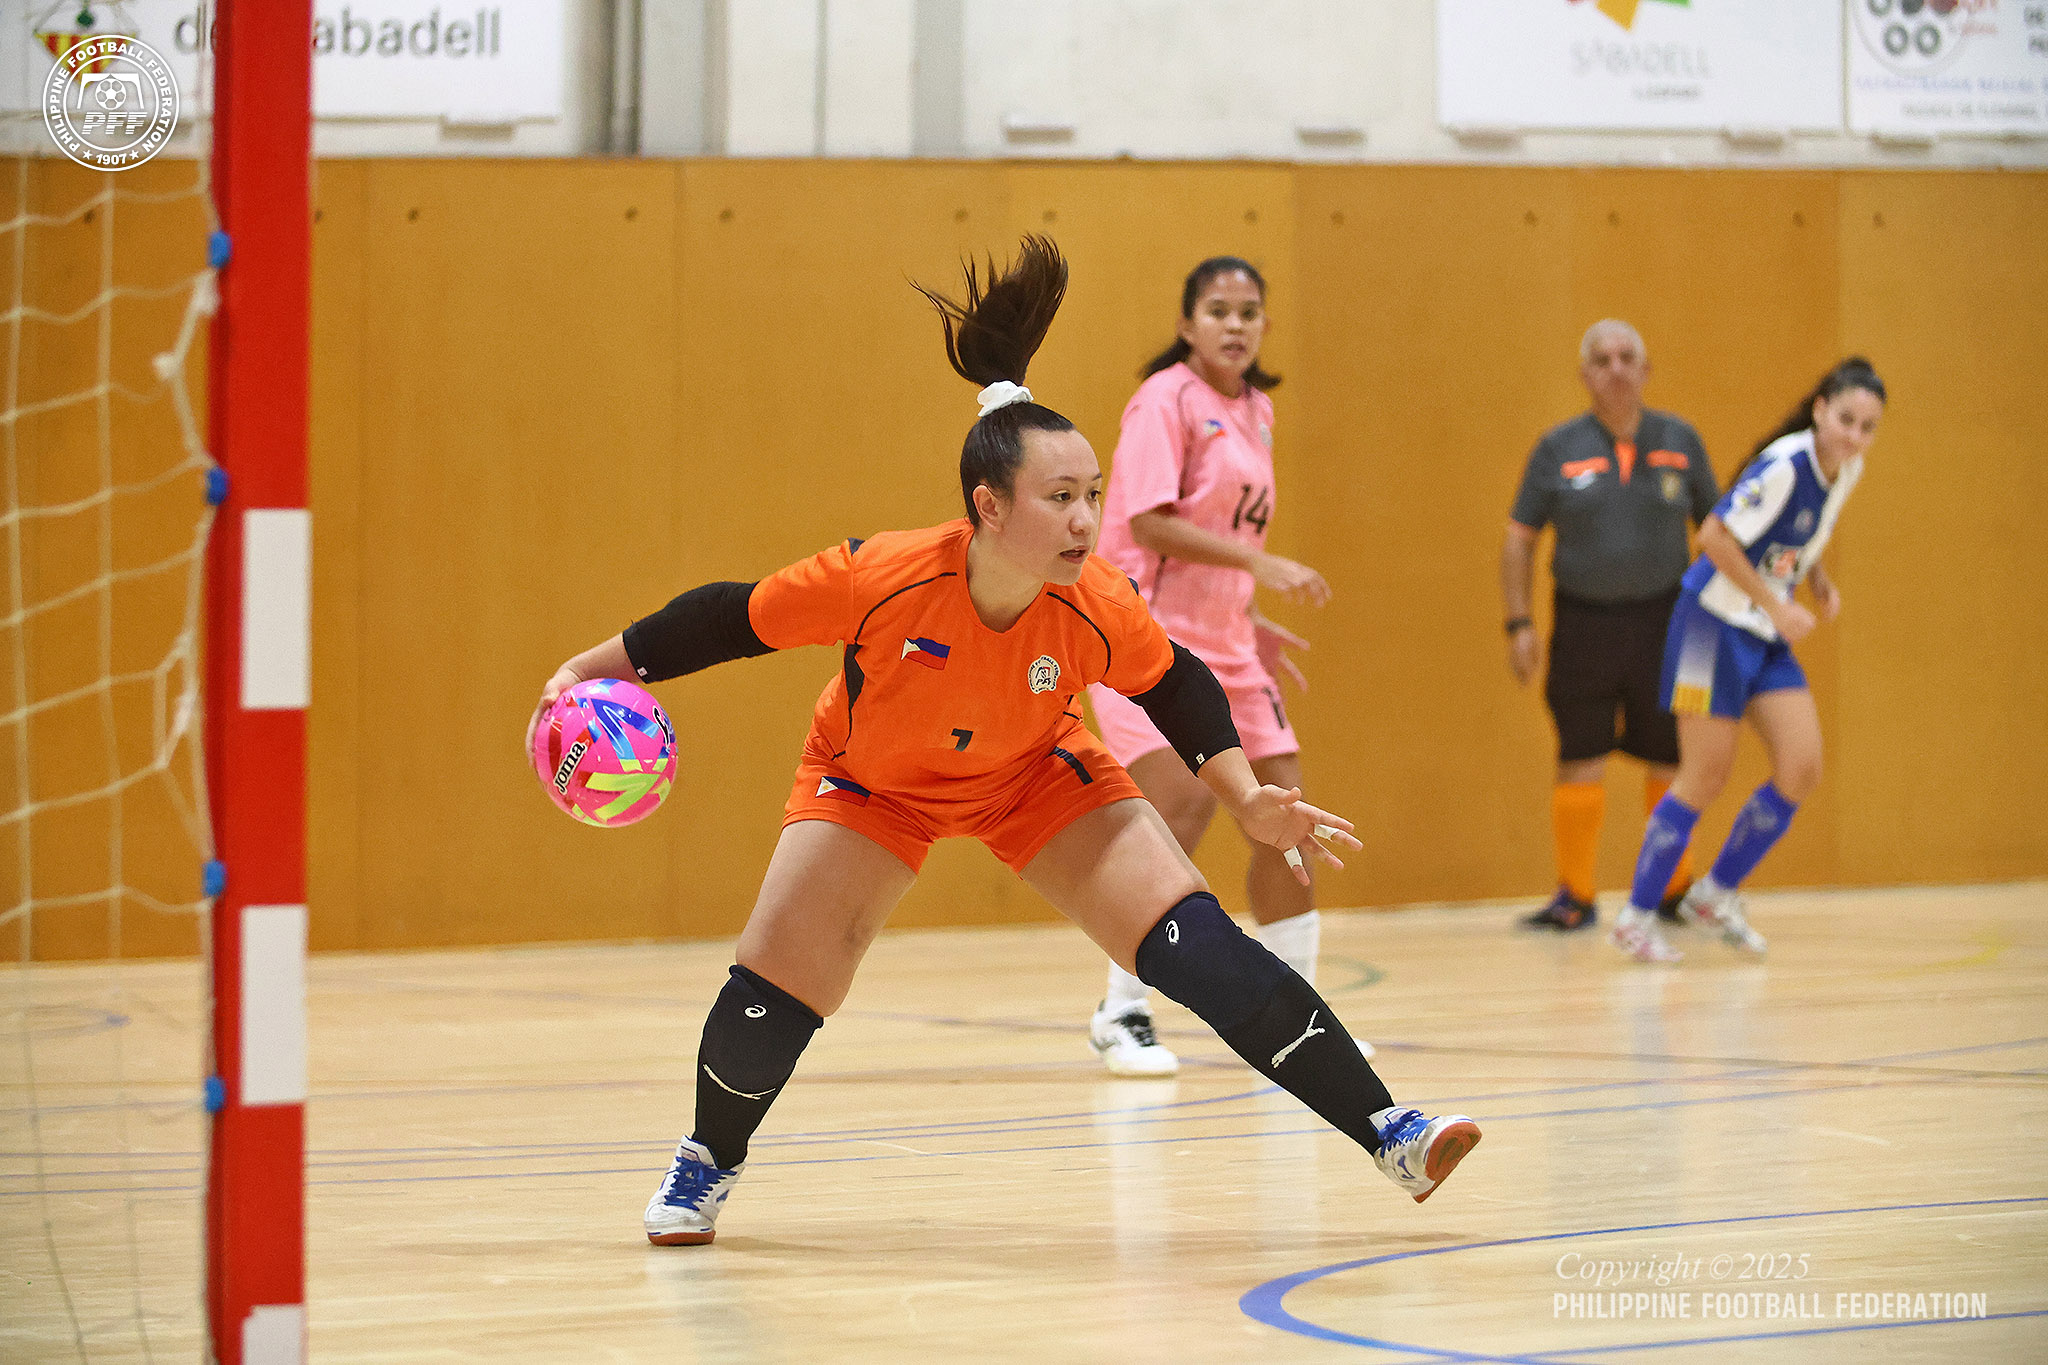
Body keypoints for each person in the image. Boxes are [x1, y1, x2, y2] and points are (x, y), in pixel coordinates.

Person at [523, 238, 1482, 1246]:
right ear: (989, 506)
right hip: (872, 787)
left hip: (1035, 778)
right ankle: (707, 1161)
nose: (1085, 521)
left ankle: (1391, 1133)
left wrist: (1244, 795)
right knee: (778, 987)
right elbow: (728, 616)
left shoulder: (1096, 598)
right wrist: (589, 669)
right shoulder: (883, 577)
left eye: (1093, 495)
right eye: (1059, 499)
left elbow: (1175, 682)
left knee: (1197, 946)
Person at [1082, 255, 1360, 1078]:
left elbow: (1219, 538)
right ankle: (1120, 1010)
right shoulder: (1163, 399)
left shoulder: (1256, 409)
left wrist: (1249, 613)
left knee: (1288, 813)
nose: (1235, 325)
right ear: (1187, 325)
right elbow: (1148, 523)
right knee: (1177, 807)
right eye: (1217, 310)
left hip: (1228, 643)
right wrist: (1259, 566)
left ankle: (1303, 1019)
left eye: (1248, 311)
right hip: (1145, 637)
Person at [1610, 358, 1886, 963]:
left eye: (1868, 427)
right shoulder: (1784, 465)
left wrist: (1817, 580)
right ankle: (1636, 916)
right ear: (1820, 410)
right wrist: (1776, 604)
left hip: (1761, 631)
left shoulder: (1847, 469)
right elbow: (1713, 536)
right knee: (1704, 775)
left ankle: (1714, 894)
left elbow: (1797, 535)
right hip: (1709, 626)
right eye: (1845, 420)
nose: (1854, 436)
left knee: (1802, 766)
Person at [1501, 320, 1721, 932]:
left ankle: (1672, 889)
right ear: (1585, 375)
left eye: (1628, 357)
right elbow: (1519, 540)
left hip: (1667, 623)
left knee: (1670, 754)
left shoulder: (1681, 439)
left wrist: (1720, 622)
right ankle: (1575, 895)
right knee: (1580, 752)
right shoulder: (1557, 448)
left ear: (1646, 371)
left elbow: (1720, 533)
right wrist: (1519, 622)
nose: (1616, 368)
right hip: (1583, 623)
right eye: (1602, 359)